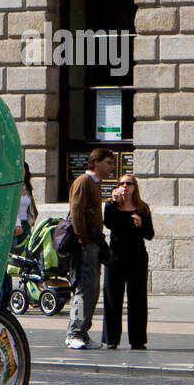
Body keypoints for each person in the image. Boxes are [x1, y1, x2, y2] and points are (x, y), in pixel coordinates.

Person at [65, 147, 116, 349]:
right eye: (108, 162)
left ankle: (83, 332)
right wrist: (83, 238)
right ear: (96, 162)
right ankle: (74, 332)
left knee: (93, 289)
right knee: (85, 289)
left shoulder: (95, 184)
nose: (112, 166)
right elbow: (76, 210)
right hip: (85, 244)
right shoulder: (84, 182)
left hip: (93, 244)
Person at [102, 173, 154, 349]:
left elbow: (150, 234)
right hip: (115, 257)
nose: (125, 186)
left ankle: (137, 340)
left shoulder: (142, 208)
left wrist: (141, 225)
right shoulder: (111, 206)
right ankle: (111, 339)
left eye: (129, 183)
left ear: (134, 187)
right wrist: (115, 202)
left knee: (138, 299)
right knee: (112, 298)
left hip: (137, 257)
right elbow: (109, 224)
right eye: (122, 183)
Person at [0, 162, 37, 308]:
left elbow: (30, 208)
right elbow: (9, 208)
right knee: (8, 265)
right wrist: (16, 225)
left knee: (27, 263)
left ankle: (28, 296)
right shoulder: (10, 188)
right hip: (13, 228)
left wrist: (28, 224)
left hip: (25, 227)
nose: (22, 172)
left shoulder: (26, 188)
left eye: (24, 169)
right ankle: (5, 300)